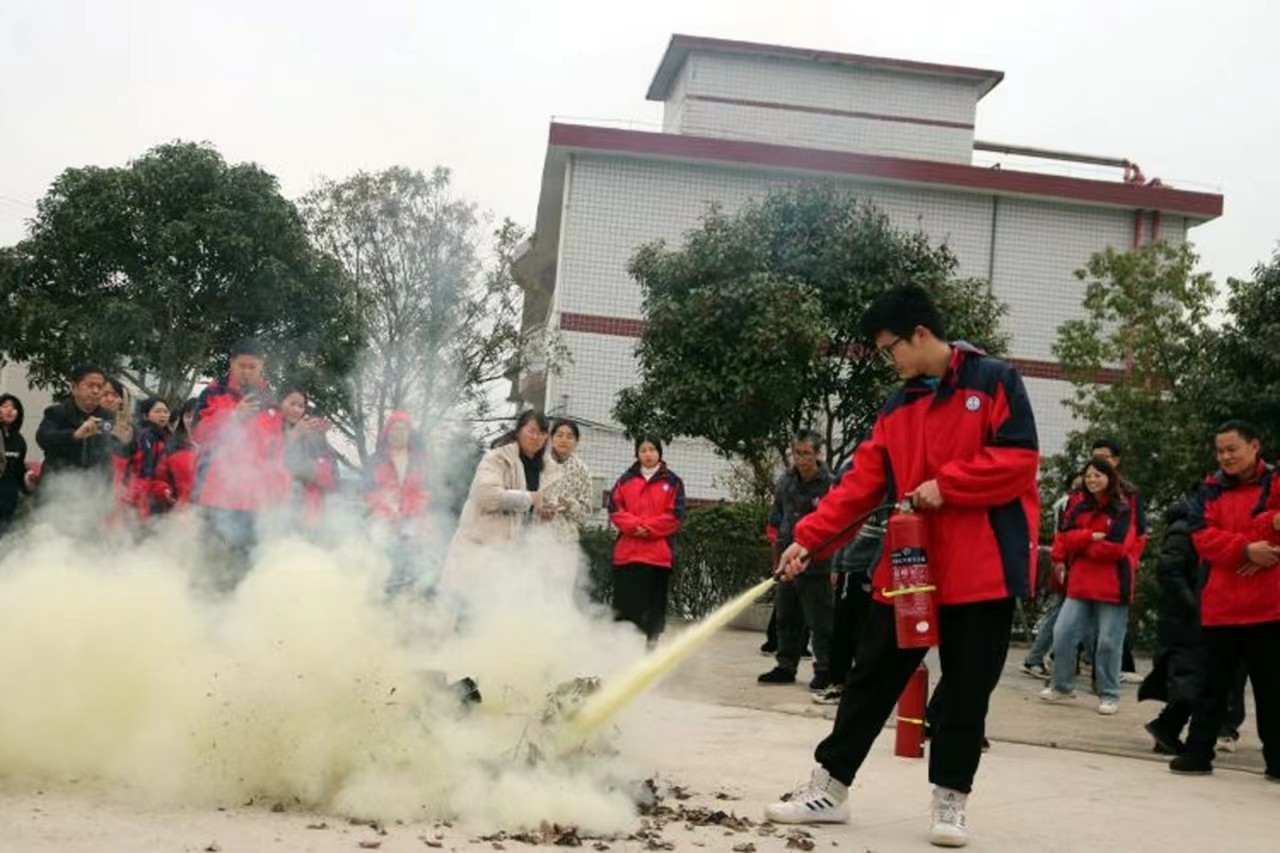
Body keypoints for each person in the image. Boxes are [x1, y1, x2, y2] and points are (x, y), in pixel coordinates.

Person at [766, 284, 1040, 848]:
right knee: (871, 675)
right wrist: (808, 540)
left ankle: (950, 800)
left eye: (890, 347)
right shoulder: (898, 406)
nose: (888, 359)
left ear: (920, 334)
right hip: (911, 565)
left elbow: (1019, 462)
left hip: (982, 568)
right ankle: (830, 787)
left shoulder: (994, 382)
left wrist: (949, 485)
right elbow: (861, 484)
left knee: (966, 687)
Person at [1170, 420, 1280, 779]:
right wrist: (1247, 549)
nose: (1225, 457)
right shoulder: (1209, 490)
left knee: (1272, 690)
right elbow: (1203, 538)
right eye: (1220, 451)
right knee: (1211, 687)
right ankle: (1198, 753)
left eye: (1232, 449)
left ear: (1254, 446)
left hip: (1269, 606)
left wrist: (1264, 546)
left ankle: (1277, 760)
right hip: (1222, 606)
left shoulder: (1275, 482)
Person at [1038, 457, 1137, 715]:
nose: (1092, 480)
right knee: (1063, 634)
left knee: (1108, 642)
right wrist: (1090, 537)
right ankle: (1062, 686)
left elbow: (1117, 547)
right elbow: (1064, 538)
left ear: (1110, 478)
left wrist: (1080, 546)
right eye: (1089, 475)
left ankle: (1109, 693)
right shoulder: (1079, 506)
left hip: (1113, 585)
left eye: (1098, 475)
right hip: (1080, 583)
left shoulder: (1123, 509)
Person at [191, 339, 288, 587]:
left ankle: (239, 608)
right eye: (241, 366)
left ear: (262, 367)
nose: (246, 372)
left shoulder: (271, 402)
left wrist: (278, 490)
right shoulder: (213, 392)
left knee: (246, 567)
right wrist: (234, 416)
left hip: (254, 500)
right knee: (211, 564)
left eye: (252, 367)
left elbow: (276, 452)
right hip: (216, 496)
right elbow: (198, 433)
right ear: (231, 364)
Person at [759, 430, 835, 691]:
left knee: (820, 621)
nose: (801, 459)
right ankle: (785, 666)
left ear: (818, 454)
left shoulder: (830, 485)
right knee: (786, 616)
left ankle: (824, 669)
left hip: (817, 563)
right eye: (797, 453)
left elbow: (836, 526)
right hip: (786, 560)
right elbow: (776, 517)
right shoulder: (786, 482)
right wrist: (776, 555)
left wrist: (834, 566)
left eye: (806, 454)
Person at [446, 410, 551, 575]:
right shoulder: (497, 458)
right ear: (519, 430)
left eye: (542, 433)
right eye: (532, 431)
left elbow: (533, 509)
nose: (536, 437)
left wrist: (544, 511)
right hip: (480, 546)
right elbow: (487, 494)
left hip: (515, 551)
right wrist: (529, 498)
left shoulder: (544, 468)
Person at [608, 435, 686, 647]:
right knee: (625, 606)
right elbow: (615, 509)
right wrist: (635, 527)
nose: (648, 454)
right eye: (643, 450)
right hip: (627, 555)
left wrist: (648, 529)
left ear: (659, 452)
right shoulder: (625, 480)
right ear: (637, 454)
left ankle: (650, 646)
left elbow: (675, 515)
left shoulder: (673, 482)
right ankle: (620, 649)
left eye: (652, 449)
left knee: (654, 606)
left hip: (658, 556)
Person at [1086, 440, 1146, 683]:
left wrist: (1132, 558)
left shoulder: (1129, 493)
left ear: (1116, 461)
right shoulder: (1085, 491)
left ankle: (1104, 679)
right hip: (1087, 567)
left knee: (1110, 629)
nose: (1098, 462)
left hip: (1118, 566)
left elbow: (1139, 531)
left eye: (1104, 457)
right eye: (1094, 457)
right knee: (1082, 626)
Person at [1021, 470, 1083, 678]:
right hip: (1066, 564)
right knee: (1057, 613)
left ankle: (1052, 658)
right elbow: (1064, 536)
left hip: (1068, 563)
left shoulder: (1076, 503)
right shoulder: (1068, 504)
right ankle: (1037, 658)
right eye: (1077, 486)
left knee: (1065, 614)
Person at [365, 411, 433, 594]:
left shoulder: (419, 461)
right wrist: (389, 514)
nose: (399, 433)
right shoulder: (375, 460)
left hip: (414, 522)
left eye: (403, 429)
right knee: (382, 567)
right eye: (394, 428)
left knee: (414, 568)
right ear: (387, 431)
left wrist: (407, 513)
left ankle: (406, 601)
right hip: (382, 521)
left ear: (409, 433)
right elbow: (369, 492)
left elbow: (426, 491)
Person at [34, 363, 116, 487]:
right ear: (74, 388)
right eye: (90, 385)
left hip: (96, 487)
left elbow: (118, 448)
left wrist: (128, 439)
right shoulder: (57, 412)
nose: (96, 391)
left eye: (100, 387)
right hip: (58, 485)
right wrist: (74, 435)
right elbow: (43, 438)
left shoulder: (107, 416)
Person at [279, 388, 338, 527]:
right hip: (279, 508)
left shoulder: (313, 432)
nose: (296, 410)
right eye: (292, 404)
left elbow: (332, 470)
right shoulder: (271, 428)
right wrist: (294, 435)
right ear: (280, 403)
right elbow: (270, 462)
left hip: (311, 509)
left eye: (301, 406)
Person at [538, 419, 595, 545]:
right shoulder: (539, 463)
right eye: (559, 435)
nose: (564, 440)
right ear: (551, 438)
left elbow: (586, 512)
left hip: (565, 538)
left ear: (577, 441)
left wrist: (569, 505)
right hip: (535, 533)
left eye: (569, 437)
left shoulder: (582, 470)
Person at [121, 397, 174, 522]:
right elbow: (144, 472)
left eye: (166, 411)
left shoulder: (166, 437)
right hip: (144, 498)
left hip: (158, 495)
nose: (163, 415)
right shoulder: (146, 436)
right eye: (158, 411)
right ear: (145, 416)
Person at [0, 394, 37, 537]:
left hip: (8, 501)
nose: (10, 410)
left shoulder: (18, 439)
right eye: (4, 406)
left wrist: (29, 480)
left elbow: (18, 470)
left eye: (14, 407)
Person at [158, 398, 199, 508]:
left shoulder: (219, 446)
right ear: (182, 419)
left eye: (196, 416)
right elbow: (159, 477)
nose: (191, 420)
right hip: (181, 510)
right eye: (188, 416)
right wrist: (164, 490)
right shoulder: (172, 446)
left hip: (215, 513)